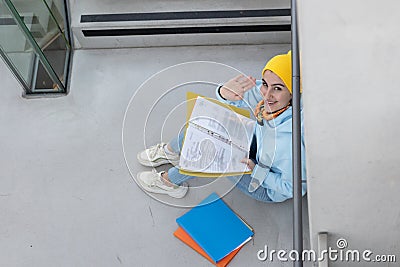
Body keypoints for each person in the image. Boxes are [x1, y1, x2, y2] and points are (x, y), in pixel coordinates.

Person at [136, 51, 307, 202]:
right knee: (206, 123)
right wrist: (223, 93)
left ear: (293, 92)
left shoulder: (290, 143)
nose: (267, 94)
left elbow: (292, 188)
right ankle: (170, 152)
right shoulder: (278, 101)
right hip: (259, 145)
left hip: (264, 182)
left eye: (277, 88)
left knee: (211, 152)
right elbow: (245, 95)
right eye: (265, 84)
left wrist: (258, 172)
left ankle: (169, 183)